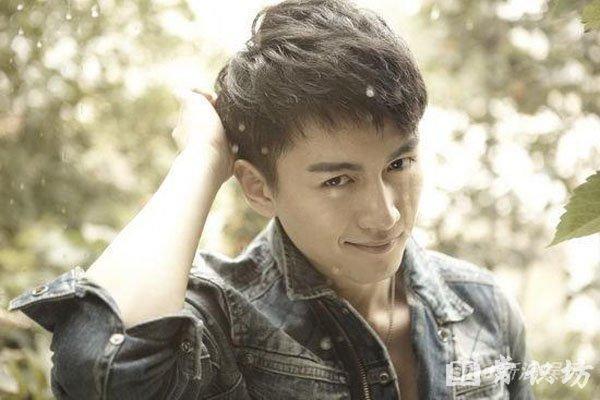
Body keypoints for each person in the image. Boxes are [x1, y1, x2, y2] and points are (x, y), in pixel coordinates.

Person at [8, 0, 534, 399]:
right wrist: (201, 157)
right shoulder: (225, 323)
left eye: (399, 165)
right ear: (259, 187)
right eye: (338, 181)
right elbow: (100, 367)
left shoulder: (483, 305)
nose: (386, 214)